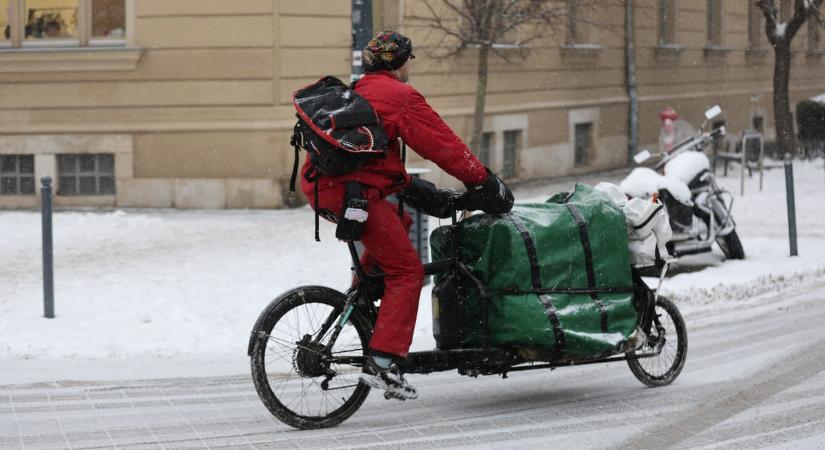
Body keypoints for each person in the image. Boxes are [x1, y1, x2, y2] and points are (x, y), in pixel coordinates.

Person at [300, 30, 513, 400]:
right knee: (407, 271)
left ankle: (363, 299)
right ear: (399, 63)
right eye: (409, 60)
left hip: (326, 189)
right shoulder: (400, 97)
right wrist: (487, 183)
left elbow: (372, 161)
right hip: (355, 195)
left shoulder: (357, 90)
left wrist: (419, 192)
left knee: (400, 224)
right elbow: (444, 147)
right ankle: (384, 362)